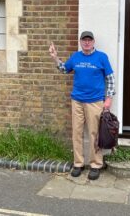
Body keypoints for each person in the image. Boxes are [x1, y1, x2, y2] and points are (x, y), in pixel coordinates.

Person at [49, 31, 115, 180]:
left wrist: (109, 99)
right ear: (80, 42)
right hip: (77, 101)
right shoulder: (76, 57)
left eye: (89, 40)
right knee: (77, 133)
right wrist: (55, 58)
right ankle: (78, 164)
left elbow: (110, 79)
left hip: (95, 101)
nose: (86, 43)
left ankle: (95, 165)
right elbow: (64, 69)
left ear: (93, 42)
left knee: (94, 134)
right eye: (84, 40)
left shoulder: (101, 57)